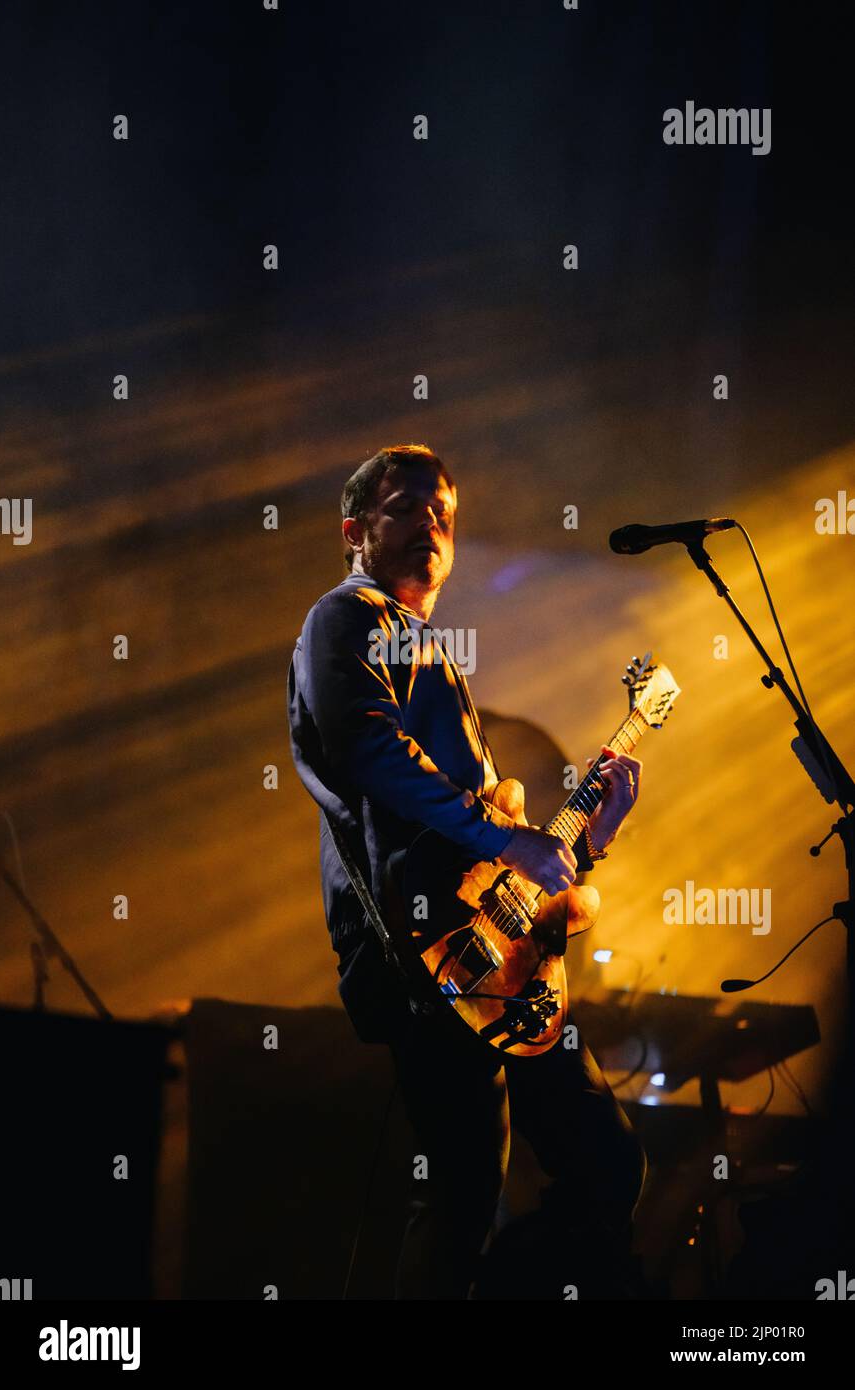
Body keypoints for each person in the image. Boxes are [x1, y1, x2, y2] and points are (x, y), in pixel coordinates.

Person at [287, 443, 647, 1299]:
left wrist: (590, 836)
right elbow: (370, 751)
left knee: (585, 1173)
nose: (432, 525)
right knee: (470, 1201)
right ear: (354, 532)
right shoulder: (344, 620)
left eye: (443, 513)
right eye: (407, 508)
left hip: (490, 954)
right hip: (423, 951)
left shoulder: (428, 650)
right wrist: (511, 842)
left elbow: (500, 861)